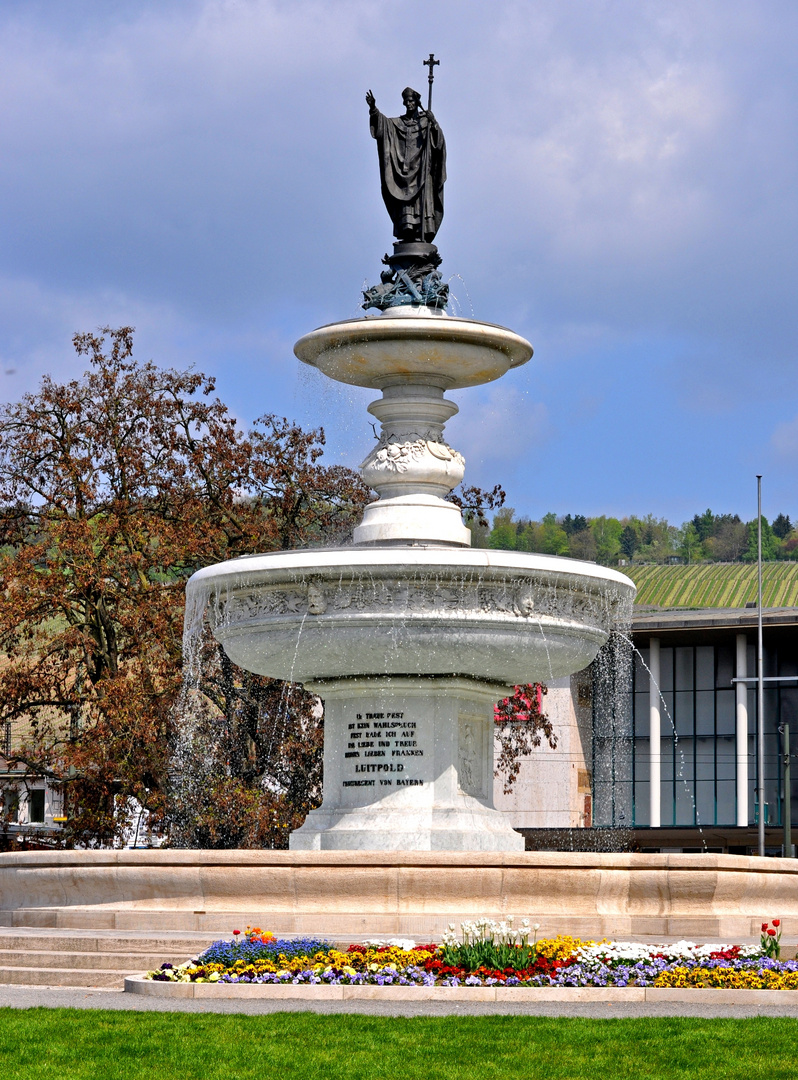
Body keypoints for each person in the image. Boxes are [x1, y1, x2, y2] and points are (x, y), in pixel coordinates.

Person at [366, 87, 446, 244]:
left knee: (423, 202)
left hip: (422, 173)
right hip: (405, 174)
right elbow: (383, 126)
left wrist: (434, 123)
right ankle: (407, 232)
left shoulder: (426, 123)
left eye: (411, 101)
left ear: (416, 102)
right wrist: (373, 109)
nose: (408, 104)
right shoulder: (398, 123)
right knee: (406, 204)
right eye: (406, 102)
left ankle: (423, 232)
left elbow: (439, 145)